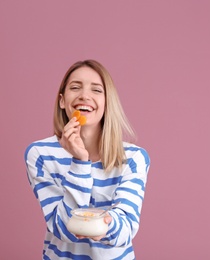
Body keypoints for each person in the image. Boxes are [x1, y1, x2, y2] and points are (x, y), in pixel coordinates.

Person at [24, 59, 150, 259]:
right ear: (62, 100)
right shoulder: (40, 154)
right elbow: (64, 230)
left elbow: (125, 230)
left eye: (97, 90)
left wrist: (105, 226)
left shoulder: (133, 158)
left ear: (107, 102)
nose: (84, 95)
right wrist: (80, 162)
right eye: (75, 87)